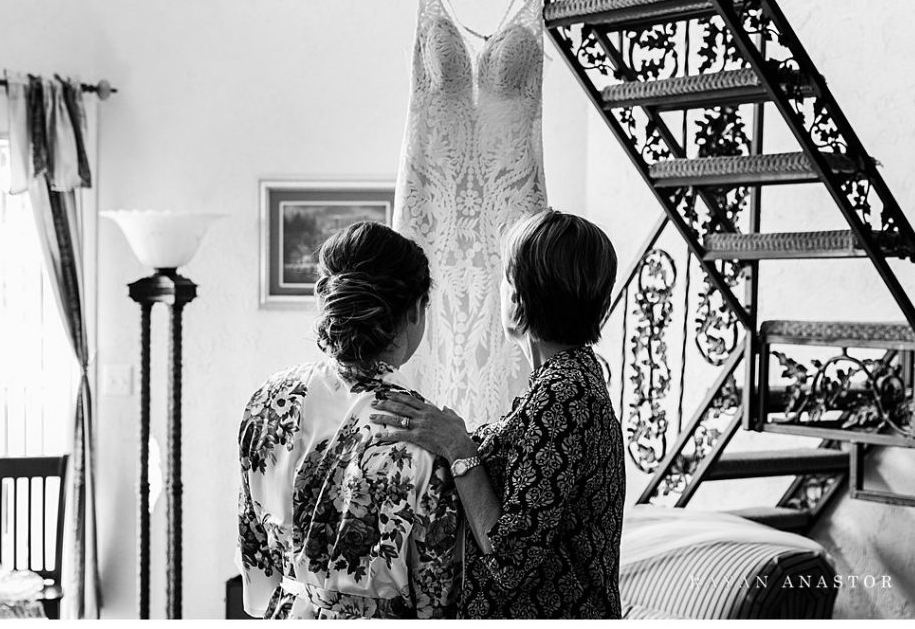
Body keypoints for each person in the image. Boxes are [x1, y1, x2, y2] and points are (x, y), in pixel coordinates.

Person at [372, 208, 625, 618]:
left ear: (521, 296)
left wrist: (458, 446)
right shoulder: (569, 381)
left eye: (506, 277)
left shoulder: (563, 397)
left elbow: (509, 557)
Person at [237, 221, 459, 619]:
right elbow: (435, 598)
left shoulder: (268, 400)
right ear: (414, 311)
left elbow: (256, 561)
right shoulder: (423, 431)